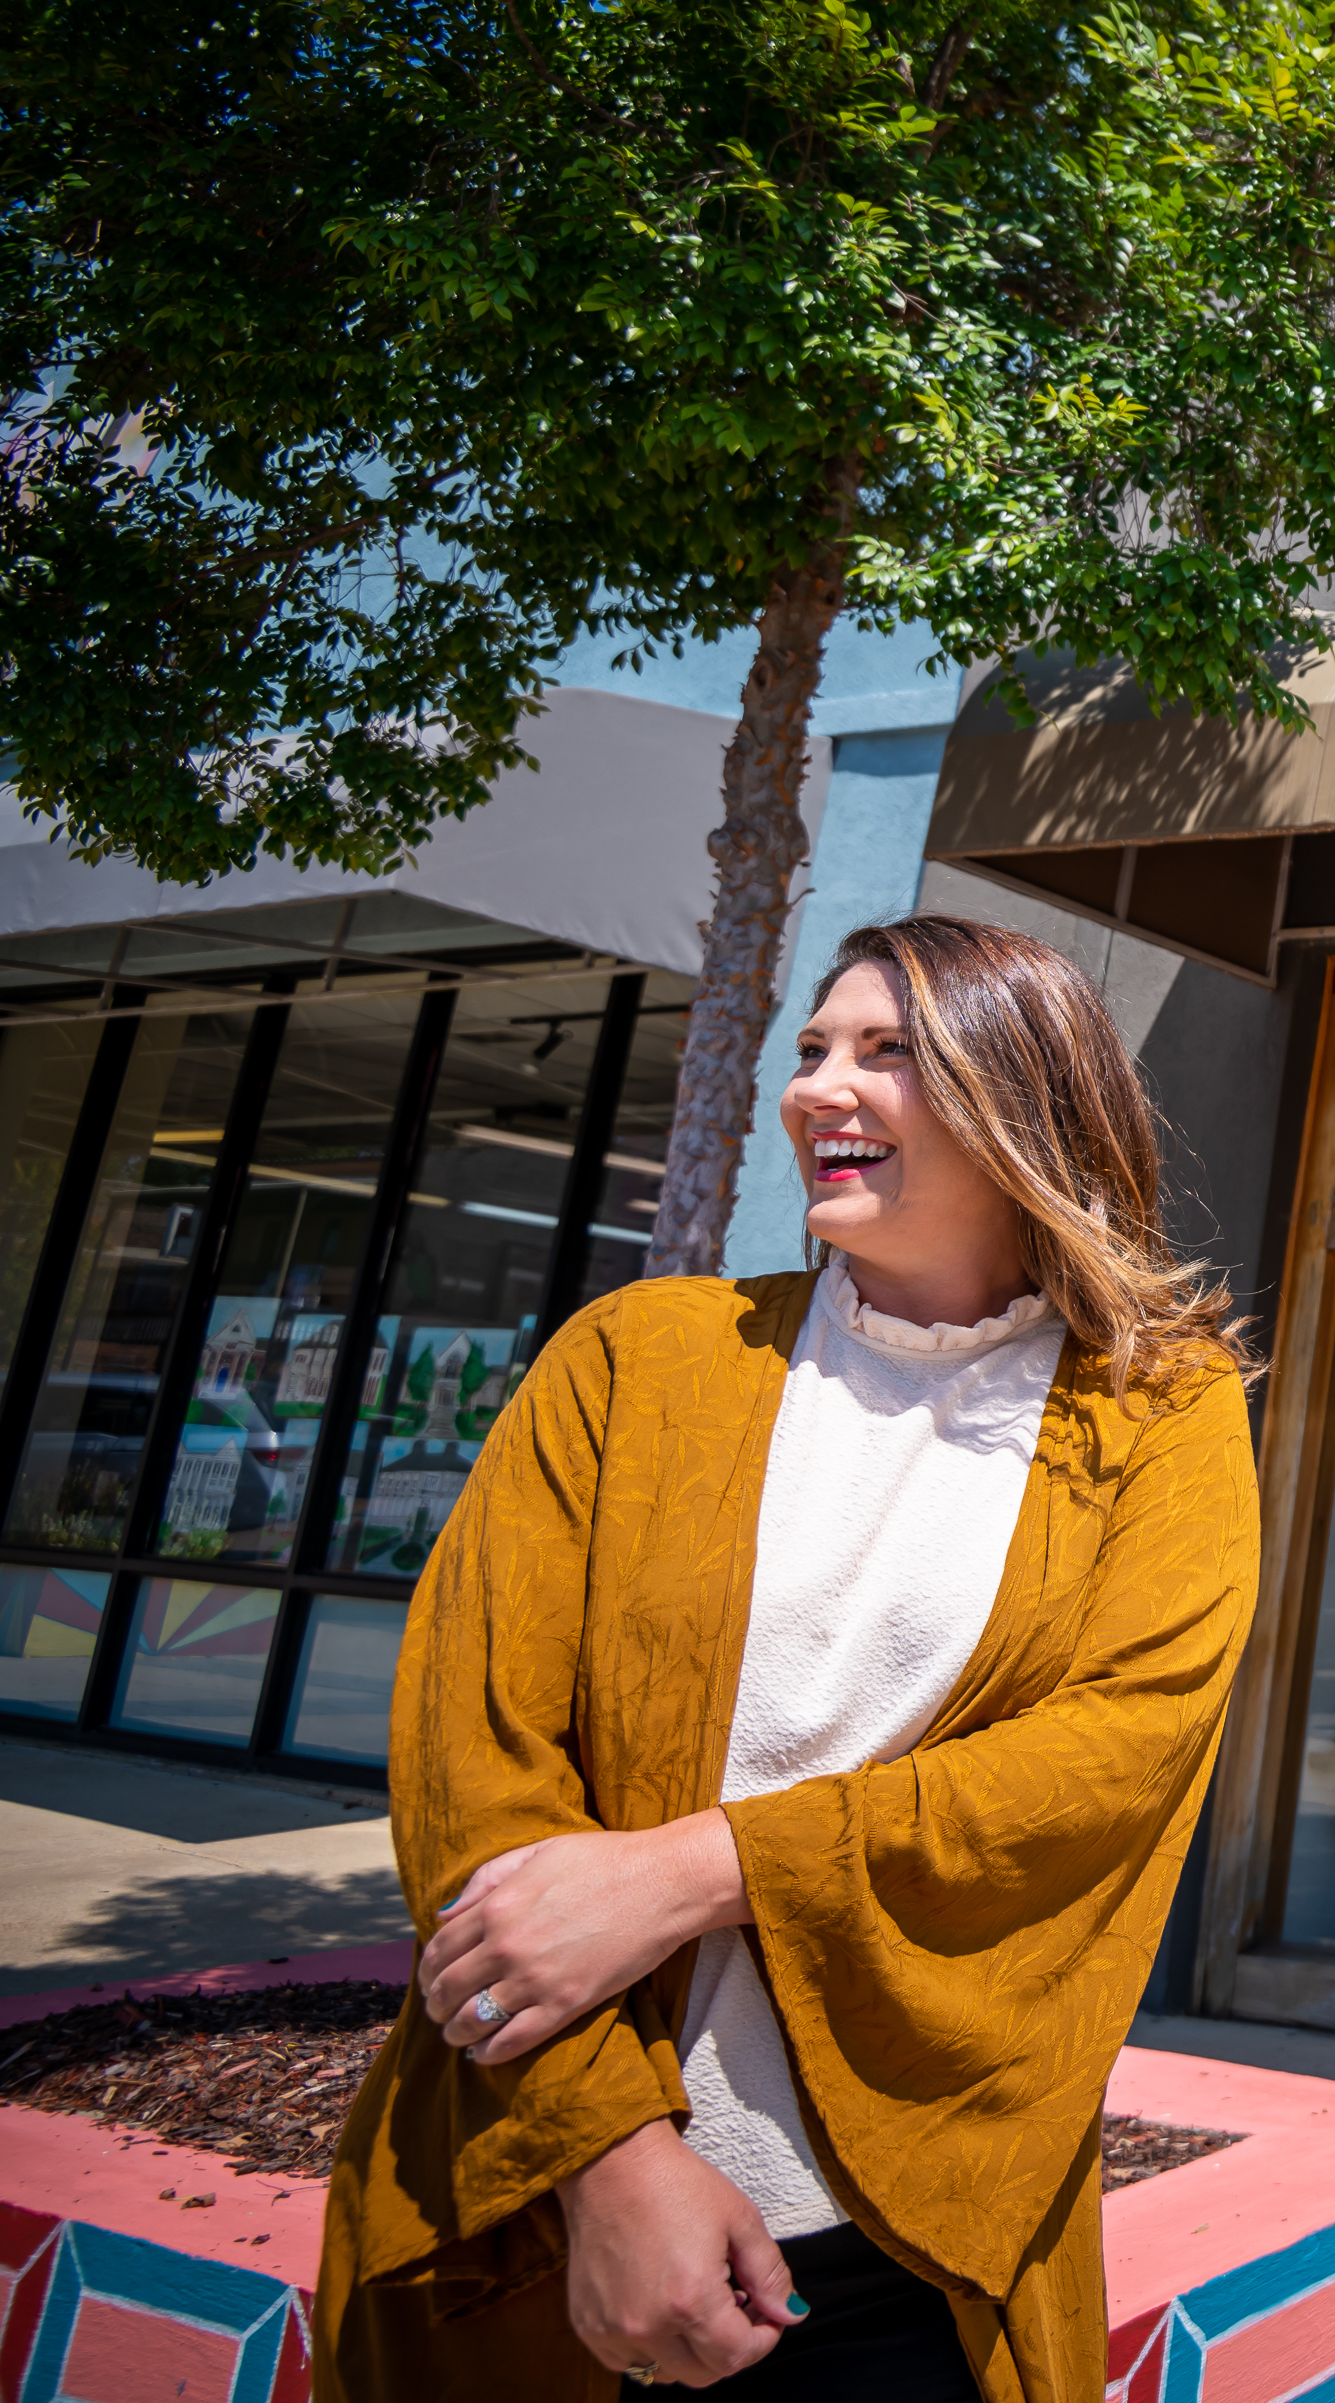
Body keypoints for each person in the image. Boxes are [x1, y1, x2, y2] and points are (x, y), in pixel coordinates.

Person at [318, 915, 1261, 2397]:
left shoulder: (1164, 1413)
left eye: (890, 1053)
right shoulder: (636, 1360)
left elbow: (1109, 1758)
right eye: (813, 1048)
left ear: (1026, 1096)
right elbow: (471, 1765)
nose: (822, 1087)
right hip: (537, 2205)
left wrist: (698, 1867)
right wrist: (610, 2155)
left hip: (913, 2248)